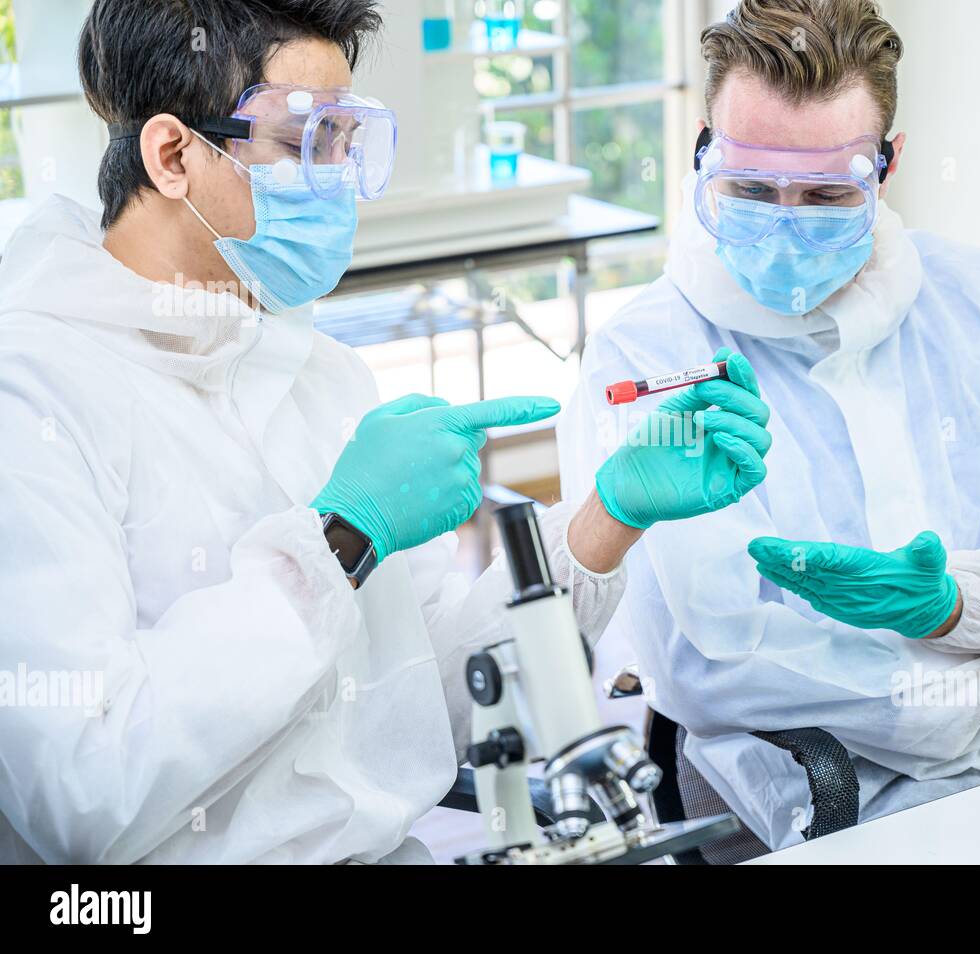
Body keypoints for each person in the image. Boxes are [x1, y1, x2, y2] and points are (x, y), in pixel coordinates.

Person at [0, 0, 771, 863]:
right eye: (305, 144)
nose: (336, 181)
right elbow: (81, 792)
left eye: (345, 143)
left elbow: (436, 701)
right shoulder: (32, 393)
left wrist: (604, 520)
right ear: (174, 154)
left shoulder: (318, 374)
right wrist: (341, 536)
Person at [557, 0, 980, 859]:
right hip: (846, 786)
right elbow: (713, 662)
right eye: (747, 189)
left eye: (824, 195)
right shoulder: (650, 355)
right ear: (703, 150)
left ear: (888, 166)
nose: (783, 223)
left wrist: (956, 600)